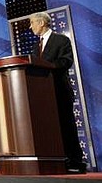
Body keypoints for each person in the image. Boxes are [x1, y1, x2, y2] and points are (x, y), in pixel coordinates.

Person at [29, 11, 86, 174]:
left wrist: (46, 66)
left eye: (32, 22)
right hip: (42, 94)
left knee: (66, 126)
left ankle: (74, 160)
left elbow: (66, 61)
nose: (30, 26)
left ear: (41, 23)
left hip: (59, 90)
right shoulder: (36, 46)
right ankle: (56, 158)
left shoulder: (61, 40)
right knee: (49, 128)